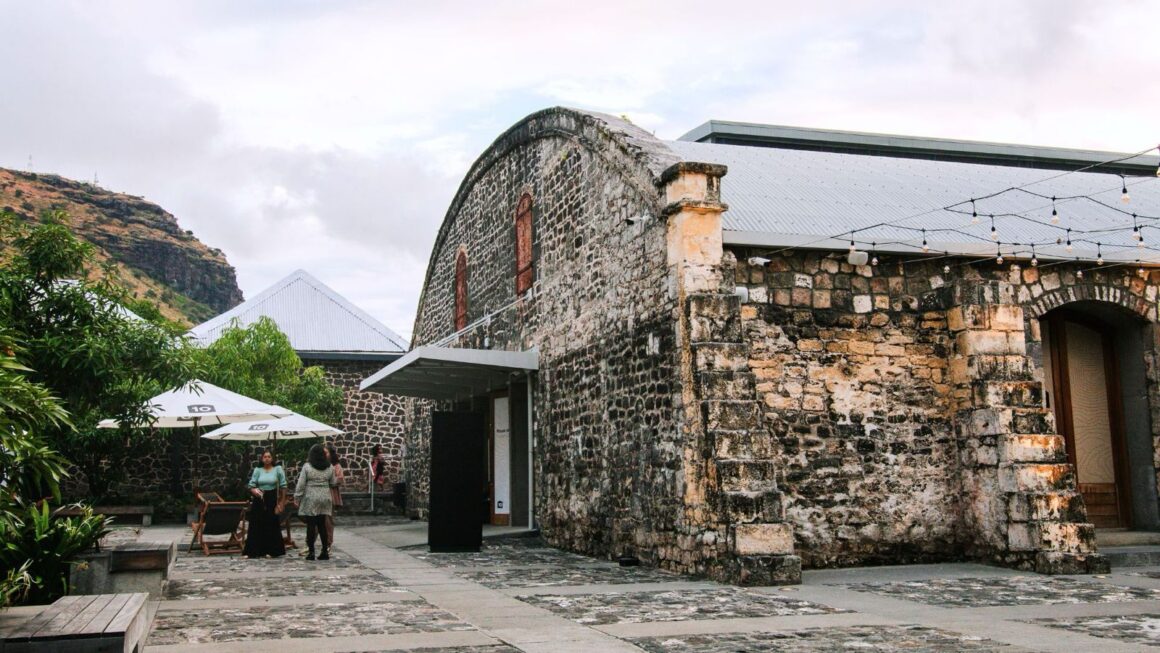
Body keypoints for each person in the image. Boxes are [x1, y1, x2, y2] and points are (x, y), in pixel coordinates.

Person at [294, 443, 336, 560]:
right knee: (322, 524)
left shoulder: (307, 467)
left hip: (310, 497)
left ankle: (311, 552)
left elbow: (301, 484)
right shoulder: (330, 467)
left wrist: (297, 497)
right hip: (325, 497)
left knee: (311, 525)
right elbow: (333, 483)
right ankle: (324, 551)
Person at [242, 450, 287, 559]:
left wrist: (281, 502)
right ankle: (253, 551)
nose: (267, 458)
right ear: (262, 459)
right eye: (265, 457)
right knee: (256, 524)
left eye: (269, 456)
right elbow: (251, 485)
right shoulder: (258, 470)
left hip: (272, 499)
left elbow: (283, 486)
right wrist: (254, 491)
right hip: (259, 499)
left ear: (272, 458)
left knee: (271, 524)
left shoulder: (278, 469)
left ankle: (272, 551)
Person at [325, 443, 344, 546]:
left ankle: (328, 542)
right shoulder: (322, 465)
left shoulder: (336, 466)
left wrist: (327, 480)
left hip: (331, 495)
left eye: (326, 452)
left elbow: (340, 479)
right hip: (320, 494)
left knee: (328, 520)